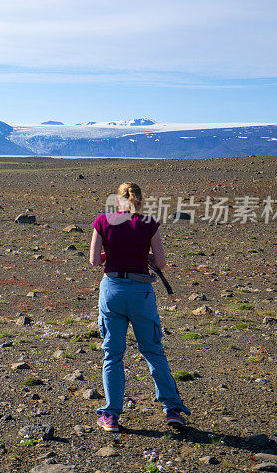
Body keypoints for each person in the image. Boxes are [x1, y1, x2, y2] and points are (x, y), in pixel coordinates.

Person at [89, 182, 190, 432]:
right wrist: (142, 256)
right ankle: (172, 410)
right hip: (141, 292)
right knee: (153, 351)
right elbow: (161, 262)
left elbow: (93, 260)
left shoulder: (102, 221)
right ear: (140, 200)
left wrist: (110, 256)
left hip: (112, 290)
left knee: (112, 354)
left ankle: (111, 415)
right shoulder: (149, 224)